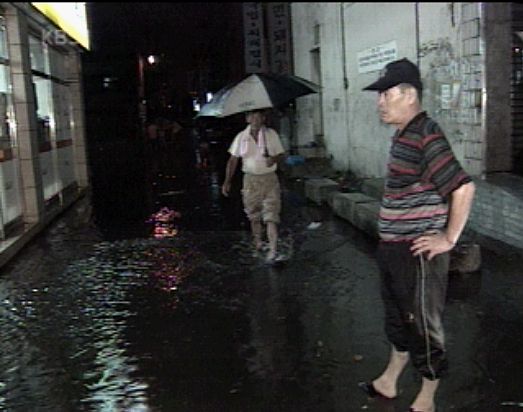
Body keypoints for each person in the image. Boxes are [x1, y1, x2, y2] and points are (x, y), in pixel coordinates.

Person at [359, 58, 476, 412]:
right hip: (394, 250)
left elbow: (463, 187)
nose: (380, 102)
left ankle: (427, 395)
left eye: (385, 94)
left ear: (409, 95)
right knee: (398, 321)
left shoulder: (427, 134)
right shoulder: (404, 134)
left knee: (424, 325)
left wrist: (448, 238)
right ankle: (388, 381)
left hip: (418, 254)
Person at [221, 109, 286, 263]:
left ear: (263, 118)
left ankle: (273, 249)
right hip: (250, 180)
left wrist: (273, 159)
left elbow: (281, 154)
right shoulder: (241, 137)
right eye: (253, 116)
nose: (256, 119)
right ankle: (258, 243)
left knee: (271, 215)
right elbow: (233, 160)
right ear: (247, 119)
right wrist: (227, 181)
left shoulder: (271, 134)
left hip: (269, 179)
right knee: (254, 214)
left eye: (259, 116)